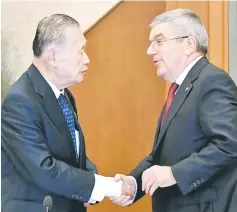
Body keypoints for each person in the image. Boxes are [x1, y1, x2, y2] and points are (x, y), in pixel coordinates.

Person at [1, 14, 133, 212]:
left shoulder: (64, 95)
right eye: (80, 51)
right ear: (53, 56)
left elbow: (73, 154)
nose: (87, 59)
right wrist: (105, 187)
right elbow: (45, 169)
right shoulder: (19, 101)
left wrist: (92, 183)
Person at [110, 8, 237, 212]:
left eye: (159, 41)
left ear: (189, 44)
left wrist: (175, 174)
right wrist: (134, 183)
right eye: (151, 43)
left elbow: (230, 144)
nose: (150, 50)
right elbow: (160, 157)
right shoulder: (179, 89)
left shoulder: (212, 81)